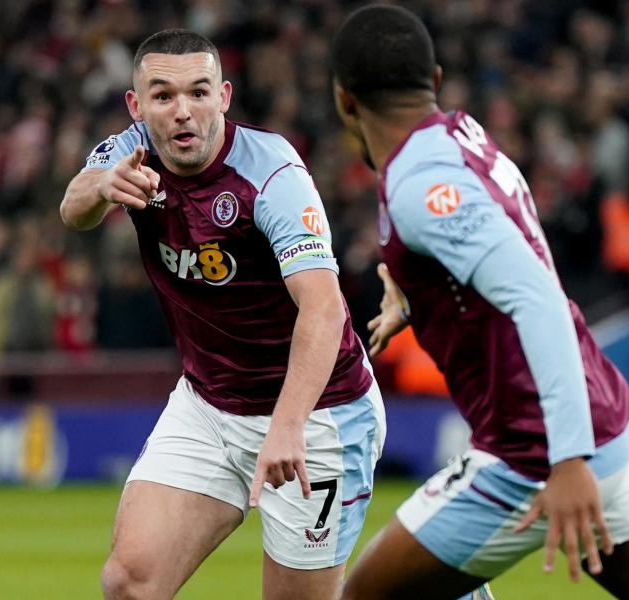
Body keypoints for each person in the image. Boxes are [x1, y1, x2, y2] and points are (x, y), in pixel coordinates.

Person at [330, 6, 629, 599]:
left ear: (345, 102)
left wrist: (567, 461)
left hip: (535, 451)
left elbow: (535, 296)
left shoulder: (421, 184)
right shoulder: (460, 136)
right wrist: (417, 296)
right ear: (437, 80)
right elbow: (500, 256)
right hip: (597, 418)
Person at [60, 30, 385, 600]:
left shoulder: (273, 174)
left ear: (224, 97)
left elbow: (324, 306)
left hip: (315, 413)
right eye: (163, 96)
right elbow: (74, 209)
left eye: (199, 92)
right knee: (130, 583)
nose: (183, 112)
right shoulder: (130, 154)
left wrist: (288, 424)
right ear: (137, 106)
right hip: (209, 405)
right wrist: (102, 188)